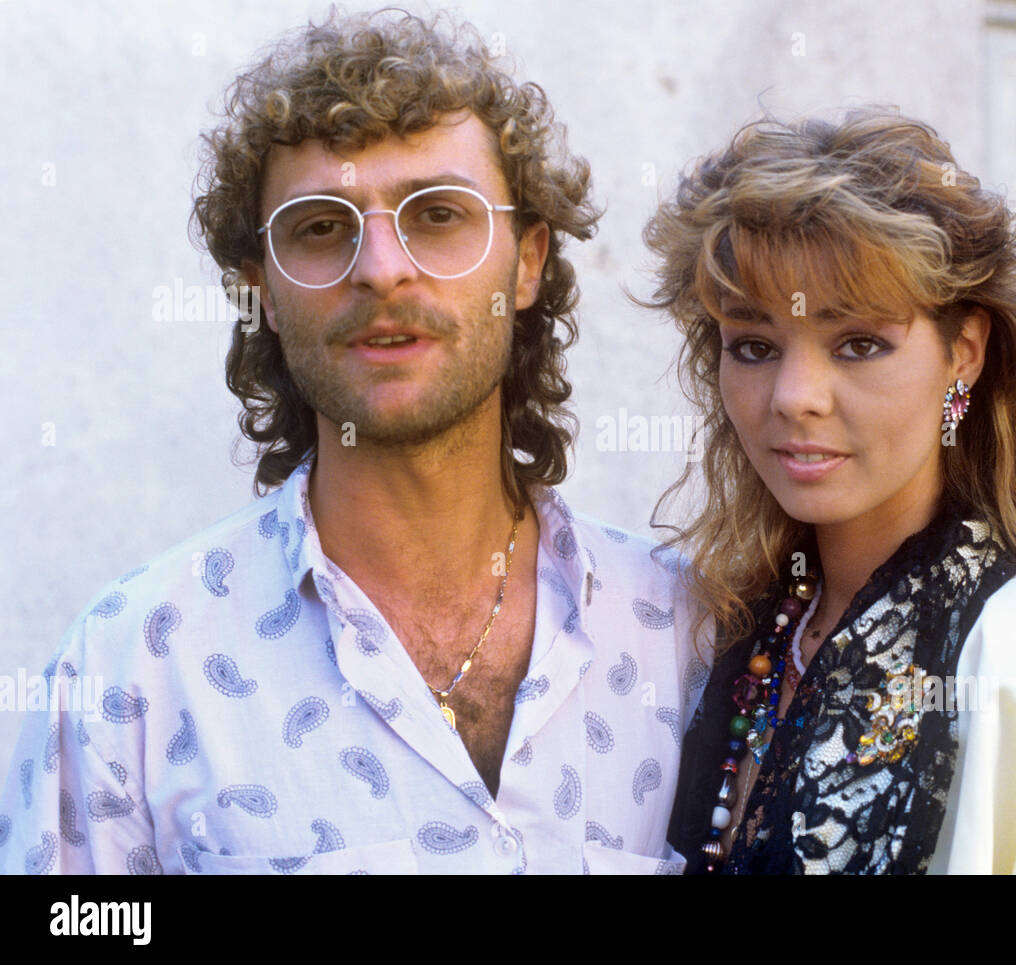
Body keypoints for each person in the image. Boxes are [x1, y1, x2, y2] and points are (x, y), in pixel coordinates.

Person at [0, 8, 708, 875]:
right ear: (260, 286)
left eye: (438, 214)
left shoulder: (690, 638)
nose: (379, 267)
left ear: (526, 264)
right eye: (322, 227)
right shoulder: (131, 668)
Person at [644, 109, 1016, 874]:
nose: (793, 396)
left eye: (860, 343)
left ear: (963, 353)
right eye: (754, 345)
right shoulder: (712, 641)